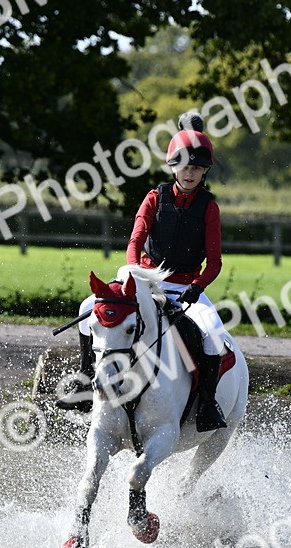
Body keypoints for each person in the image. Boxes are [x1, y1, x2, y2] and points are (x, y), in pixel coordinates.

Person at [58, 111, 230, 431]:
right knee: (87, 307)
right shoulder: (155, 197)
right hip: (144, 279)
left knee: (214, 337)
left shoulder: (209, 207)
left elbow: (215, 262)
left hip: (184, 288)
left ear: (204, 172)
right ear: (174, 167)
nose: (189, 173)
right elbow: (135, 240)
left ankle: (207, 402)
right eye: (184, 167)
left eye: (197, 168)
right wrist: (135, 272)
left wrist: (198, 285)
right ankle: (84, 379)